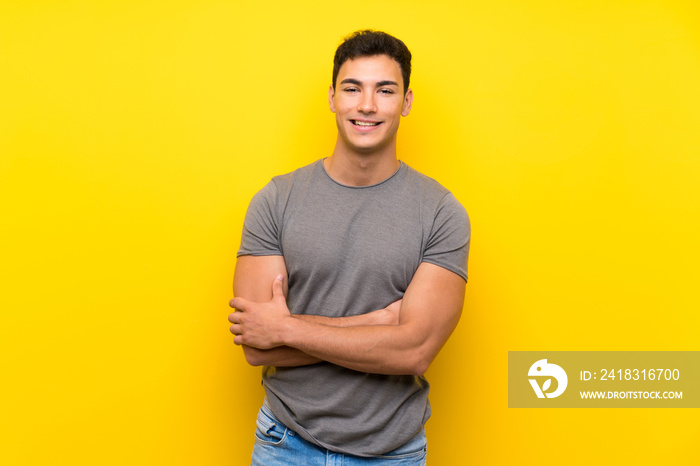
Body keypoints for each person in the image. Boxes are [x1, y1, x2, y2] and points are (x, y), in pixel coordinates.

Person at [229, 30, 470, 465]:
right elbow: (256, 345)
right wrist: (380, 323)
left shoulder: (441, 213)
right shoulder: (276, 200)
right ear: (332, 97)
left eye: (385, 90)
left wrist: (286, 327)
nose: (367, 105)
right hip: (285, 443)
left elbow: (414, 352)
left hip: (392, 453)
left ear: (407, 102)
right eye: (353, 88)